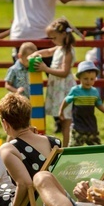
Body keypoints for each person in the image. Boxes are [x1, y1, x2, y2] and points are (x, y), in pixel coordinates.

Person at [30, 18, 77, 146]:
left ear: (63, 35)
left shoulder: (68, 52)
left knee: (66, 120)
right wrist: (35, 54)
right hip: (57, 88)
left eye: (54, 37)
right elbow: (47, 51)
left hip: (64, 89)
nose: (52, 40)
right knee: (61, 120)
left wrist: (46, 69)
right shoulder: (59, 48)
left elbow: (64, 72)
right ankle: (64, 144)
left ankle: (66, 146)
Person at [59, 61, 104, 146]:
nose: (88, 81)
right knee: (74, 147)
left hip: (91, 126)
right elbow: (66, 100)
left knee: (96, 147)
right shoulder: (75, 90)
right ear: (79, 78)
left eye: (92, 79)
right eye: (85, 78)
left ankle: (98, 158)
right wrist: (61, 110)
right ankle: (71, 158)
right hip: (78, 126)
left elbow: (98, 104)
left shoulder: (94, 92)